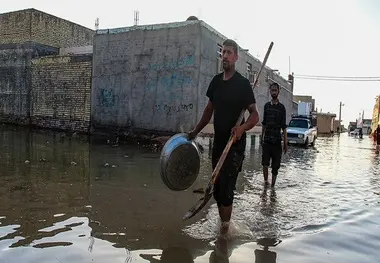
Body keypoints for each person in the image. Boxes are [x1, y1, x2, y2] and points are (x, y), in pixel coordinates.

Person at [188, 39, 259, 232]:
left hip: (234, 146)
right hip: (219, 144)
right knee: (218, 191)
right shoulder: (216, 82)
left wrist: (241, 129)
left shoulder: (243, 84)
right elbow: (208, 110)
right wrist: (195, 132)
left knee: (226, 191)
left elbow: (255, 116)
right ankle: (224, 225)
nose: (225, 56)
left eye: (229, 53)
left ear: (236, 57)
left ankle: (224, 234)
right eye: (223, 53)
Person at [261, 83, 287, 188]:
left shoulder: (282, 108)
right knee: (265, 164)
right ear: (270, 91)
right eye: (272, 90)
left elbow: (284, 127)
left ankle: (272, 187)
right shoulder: (266, 106)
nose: (274, 92)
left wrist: (285, 143)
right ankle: (266, 183)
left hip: (276, 142)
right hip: (267, 141)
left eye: (275, 90)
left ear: (278, 92)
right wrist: (261, 137)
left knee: (275, 166)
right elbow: (264, 123)